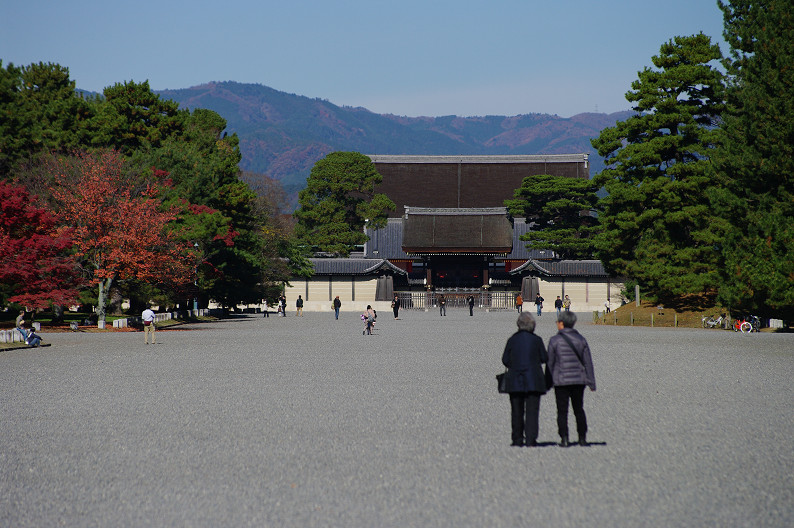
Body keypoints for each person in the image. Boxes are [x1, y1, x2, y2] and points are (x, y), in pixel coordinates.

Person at [547, 311, 596, 447]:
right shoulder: (581, 339)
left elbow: (550, 362)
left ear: (562, 323)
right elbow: (588, 362)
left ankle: (564, 438)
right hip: (579, 380)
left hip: (561, 380)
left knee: (562, 411)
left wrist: (547, 381)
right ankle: (582, 437)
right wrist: (591, 382)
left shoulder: (554, 340)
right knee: (579, 409)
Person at [501, 313, 548, 447]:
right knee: (532, 411)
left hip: (515, 379)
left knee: (517, 411)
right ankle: (531, 439)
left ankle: (517, 439)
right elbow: (544, 358)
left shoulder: (512, 339)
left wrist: (515, 364)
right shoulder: (537, 340)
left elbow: (505, 360)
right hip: (534, 379)